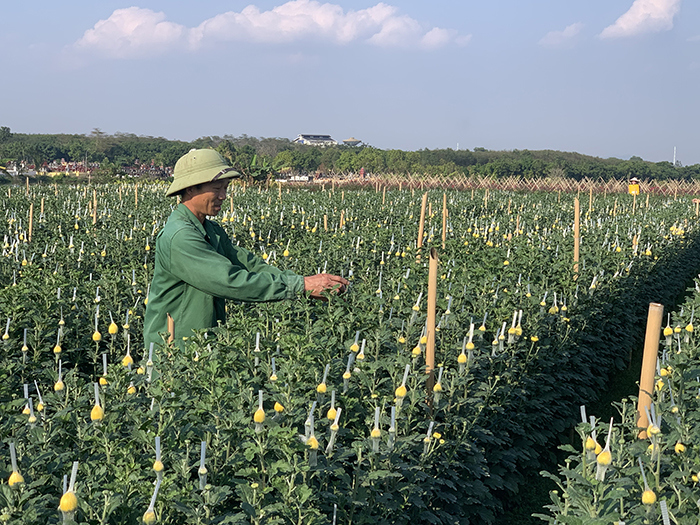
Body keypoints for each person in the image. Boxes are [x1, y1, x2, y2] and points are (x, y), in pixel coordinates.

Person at [143, 149, 348, 349]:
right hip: (174, 350)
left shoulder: (209, 229)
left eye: (226, 188)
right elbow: (228, 280)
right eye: (217, 188)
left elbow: (249, 265)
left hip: (200, 346)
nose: (224, 196)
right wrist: (299, 285)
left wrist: (304, 284)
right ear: (190, 188)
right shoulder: (180, 236)